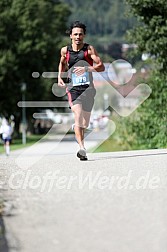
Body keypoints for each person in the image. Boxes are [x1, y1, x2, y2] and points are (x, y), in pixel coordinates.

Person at [58, 21, 105, 161]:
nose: (78, 37)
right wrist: (59, 76)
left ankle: (78, 128)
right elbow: (61, 63)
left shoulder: (89, 50)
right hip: (73, 89)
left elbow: (101, 67)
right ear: (71, 36)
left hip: (88, 89)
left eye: (80, 34)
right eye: (75, 34)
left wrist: (87, 69)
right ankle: (82, 148)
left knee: (84, 123)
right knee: (77, 113)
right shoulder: (65, 51)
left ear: (84, 35)